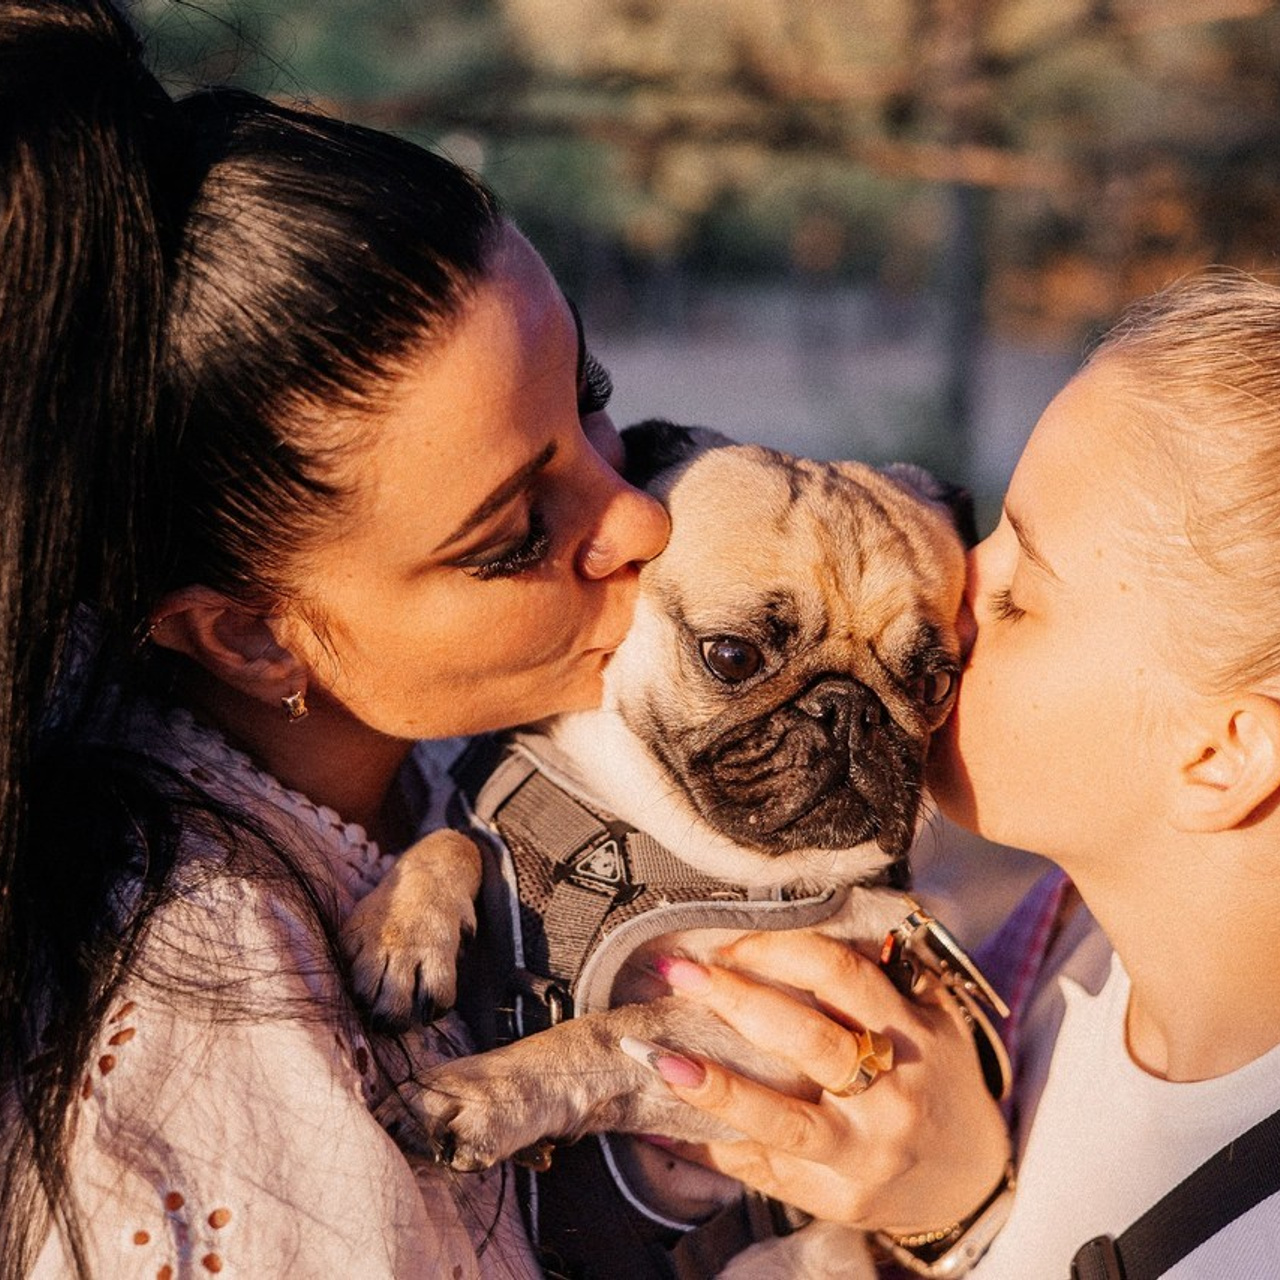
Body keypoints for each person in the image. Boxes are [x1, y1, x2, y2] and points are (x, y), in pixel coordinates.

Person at [0, 2, 669, 1276]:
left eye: (591, 403)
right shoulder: (214, 1045)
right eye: (517, 530)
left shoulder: (413, 786)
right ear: (251, 637)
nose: (640, 515)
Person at [630, 269, 1280, 1276]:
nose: (955, 584)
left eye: (1020, 592)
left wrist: (962, 1219)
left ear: (1219, 753)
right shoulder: (1054, 940)